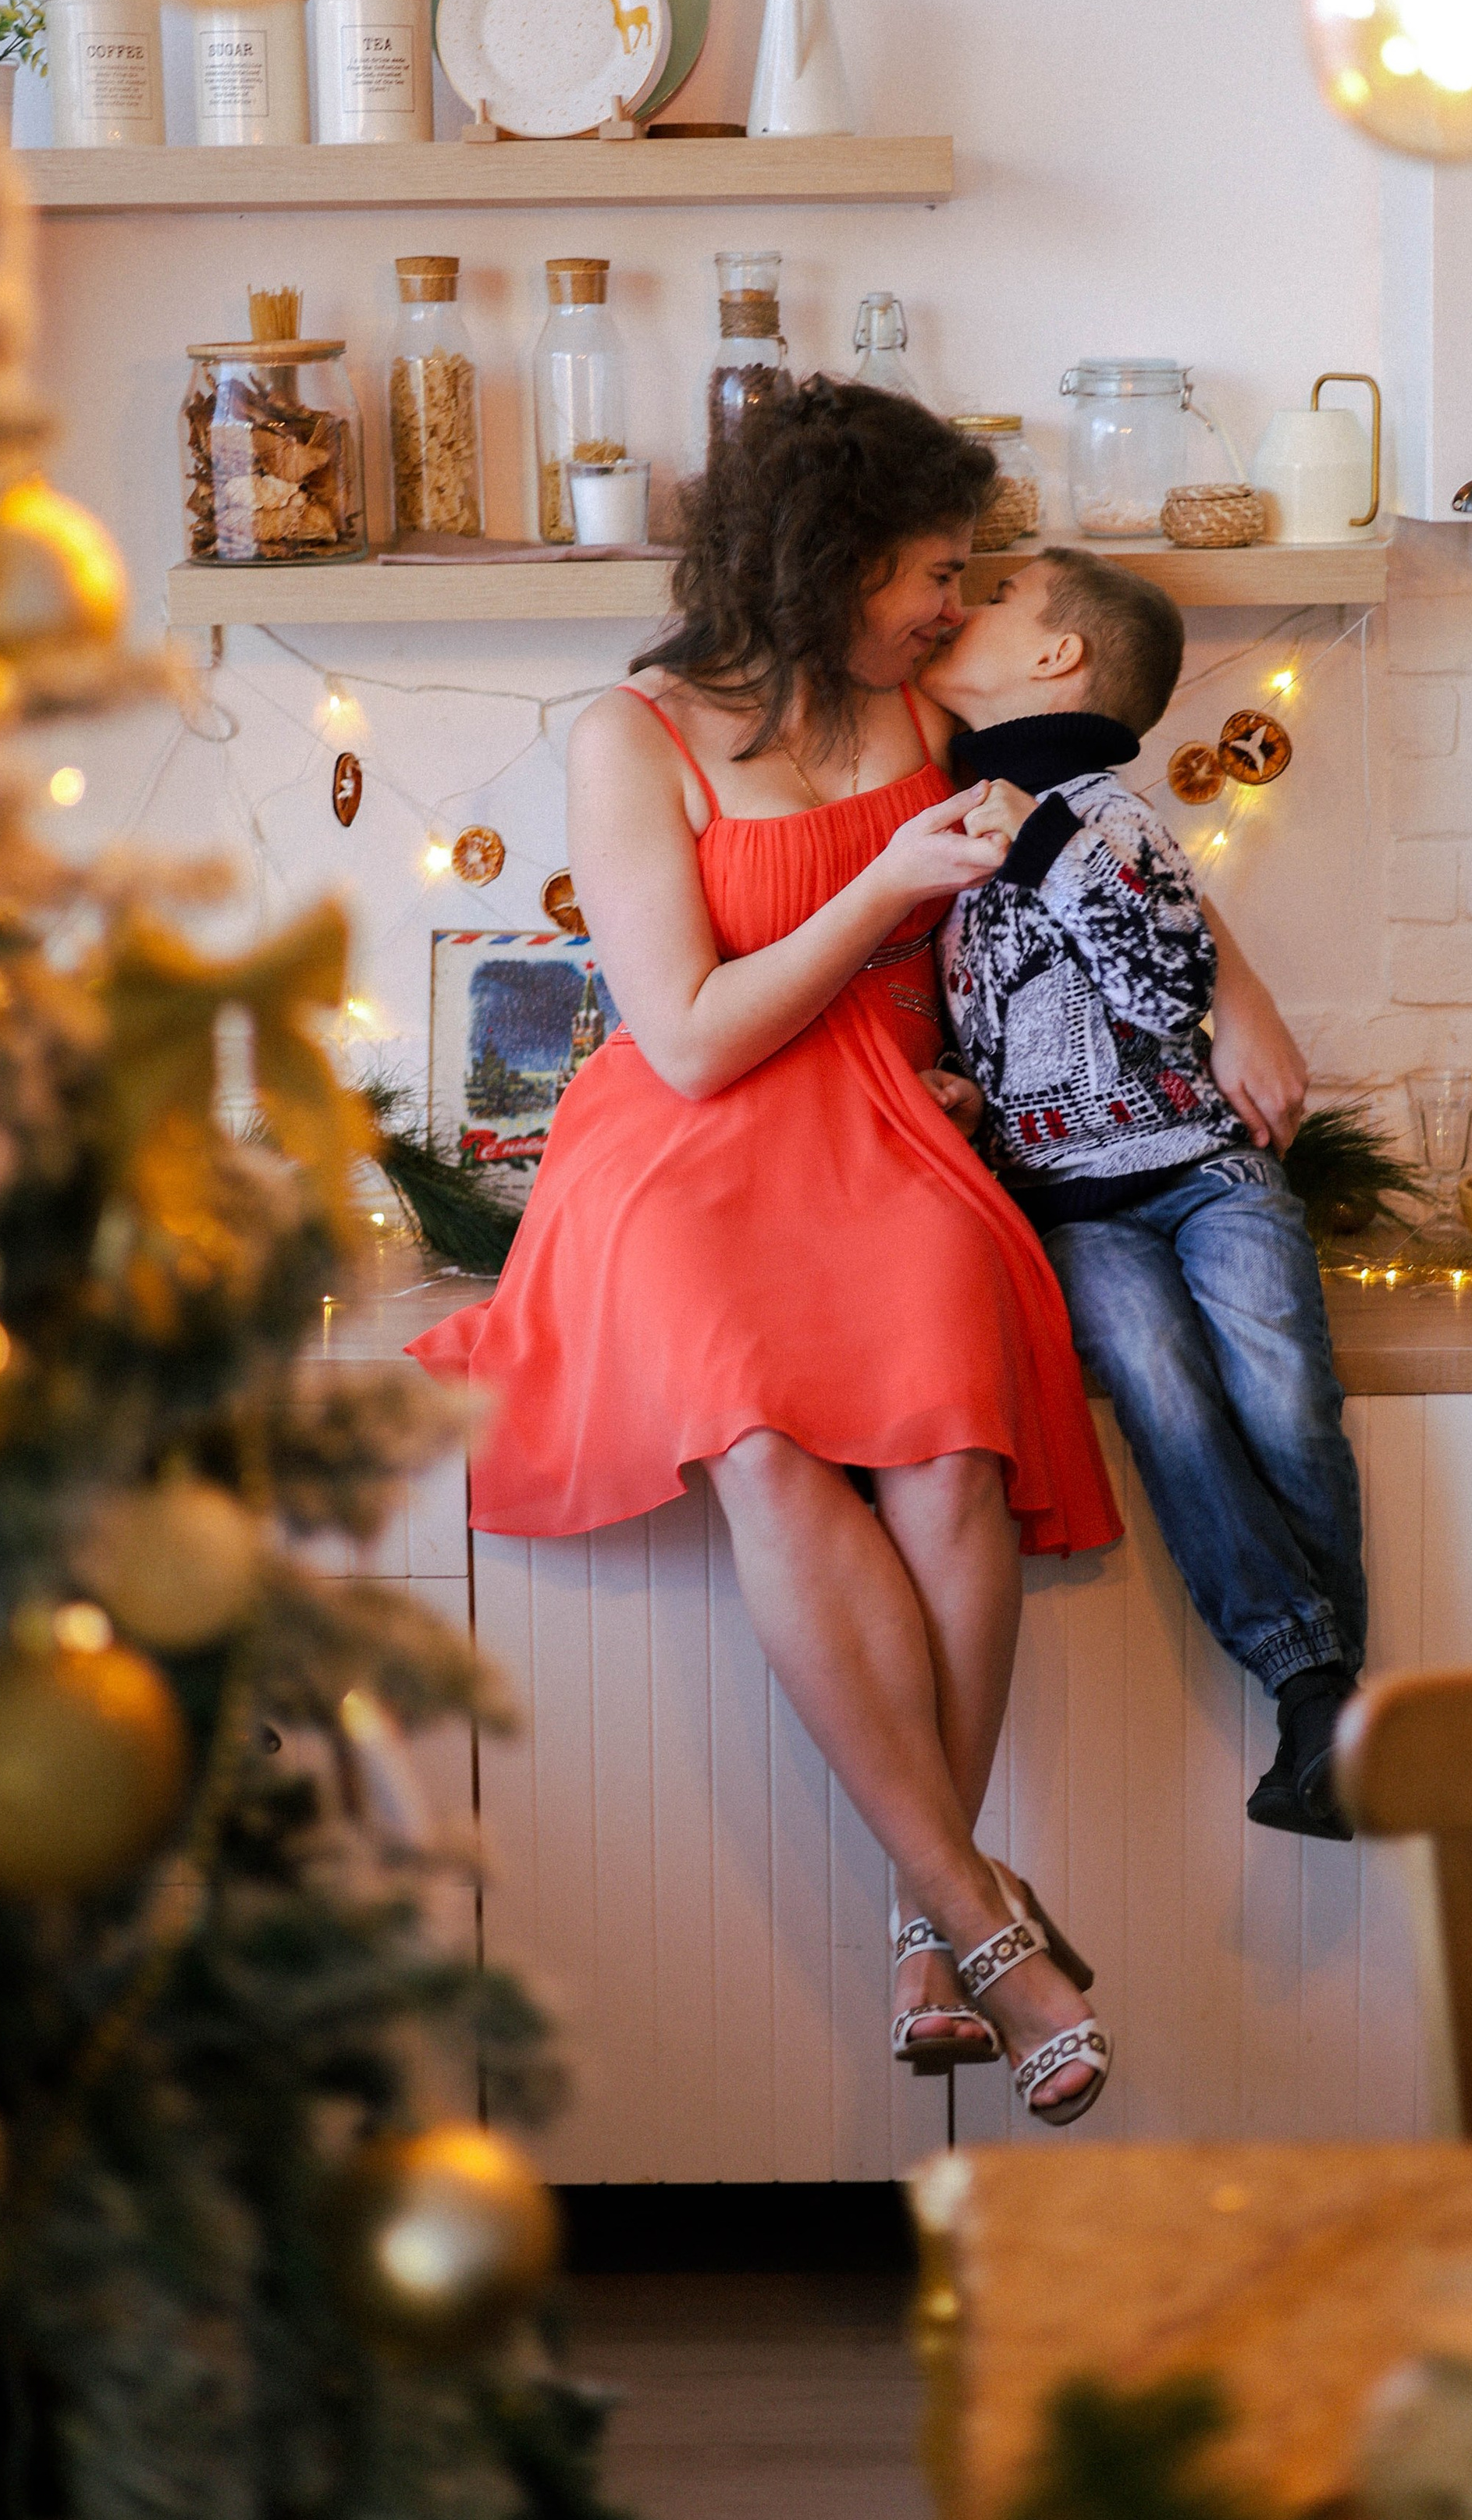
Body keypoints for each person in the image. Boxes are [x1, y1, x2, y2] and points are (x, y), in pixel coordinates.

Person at [411, 384, 1134, 2121]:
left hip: (890, 1127)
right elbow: (686, 1040)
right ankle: (978, 1915)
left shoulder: (929, 701)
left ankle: (929, 1923)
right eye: (932, 570)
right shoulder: (631, 735)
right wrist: (881, 888)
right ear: (833, 558)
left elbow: (1111, 843)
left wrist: (1206, 1009)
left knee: (952, 1448)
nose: (952, 604)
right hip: (689, 1144)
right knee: (754, 1429)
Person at [923, 546, 1367, 1838]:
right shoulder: (960, 824)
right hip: (1071, 1210)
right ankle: (1323, 1695)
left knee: (1284, 1391)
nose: (966, 604)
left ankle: (1325, 1707)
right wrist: (963, 1091)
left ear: (1056, 657)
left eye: (997, 595)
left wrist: (1040, 838)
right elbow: (991, 1011)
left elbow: (1168, 985)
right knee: (1163, 1390)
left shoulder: (1102, 815)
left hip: (1205, 1173)